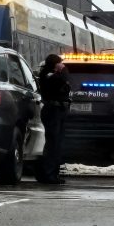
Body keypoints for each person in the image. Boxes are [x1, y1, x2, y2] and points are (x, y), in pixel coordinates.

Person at [38, 53, 71, 184]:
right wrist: (63, 70)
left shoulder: (55, 74)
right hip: (52, 111)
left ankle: (54, 173)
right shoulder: (47, 74)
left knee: (57, 143)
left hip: (59, 110)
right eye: (59, 63)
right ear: (54, 63)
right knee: (52, 143)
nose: (62, 65)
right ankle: (47, 174)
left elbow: (64, 84)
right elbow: (61, 79)